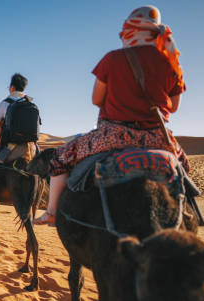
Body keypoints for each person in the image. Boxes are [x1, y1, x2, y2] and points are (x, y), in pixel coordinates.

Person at [33, 5, 189, 226]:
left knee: (60, 158)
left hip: (114, 135)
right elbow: (173, 107)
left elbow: (96, 99)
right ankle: (190, 215)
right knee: (183, 167)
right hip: (158, 138)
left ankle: (52, 212)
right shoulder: (171, 62)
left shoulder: (113, 58)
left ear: (129, 29)